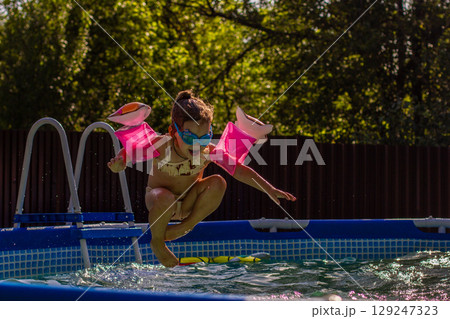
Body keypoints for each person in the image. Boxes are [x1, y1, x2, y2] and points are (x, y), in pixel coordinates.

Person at [108, 90, 296, 267]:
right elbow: (130, 152)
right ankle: (157, 242)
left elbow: (239, 170)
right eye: (190, 137)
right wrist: (119, 164)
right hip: (159, 202)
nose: (198, 144)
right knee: (165, 197)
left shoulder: (208, 152)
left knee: (218, 182)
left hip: (189, 200)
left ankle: (185, 227)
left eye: (204, 137)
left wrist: (269, 189)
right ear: (173, 131)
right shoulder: (161, 146)